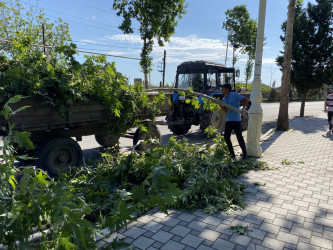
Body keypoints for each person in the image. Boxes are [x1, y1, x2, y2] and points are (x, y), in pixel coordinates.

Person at [221, 83, 249, 160]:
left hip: (236, 120)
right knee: (226, 137)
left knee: (239, 137)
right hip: (229, 120)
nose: (222, 90)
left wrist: (243, 109)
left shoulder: (234, 95)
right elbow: (225, 111)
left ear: (227, 89)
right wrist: (220, 105)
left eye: (223, 88)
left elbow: (245, 100)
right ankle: (232, 154)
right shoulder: (224, 99)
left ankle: (245, 154)